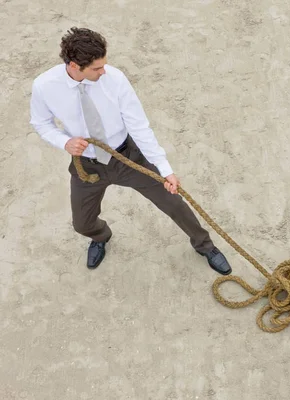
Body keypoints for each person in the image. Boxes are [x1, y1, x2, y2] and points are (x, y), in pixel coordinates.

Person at [29, 27, 232, 275]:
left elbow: (139, 126)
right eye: (96, 68)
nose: (104, 71)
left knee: (173, 202)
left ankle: (205, 245)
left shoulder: (115, 79)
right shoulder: (44, 86)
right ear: (74, 65)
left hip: (127, 156)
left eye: (103, 65)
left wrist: (165, 169)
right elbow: (40, 123)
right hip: (87, 165)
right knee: (82, 223)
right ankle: (101, 236)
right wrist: (64, 142)